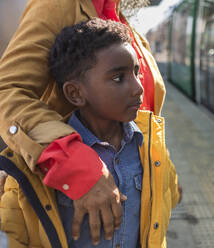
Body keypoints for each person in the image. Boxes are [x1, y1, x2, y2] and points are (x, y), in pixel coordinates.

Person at [0, 0, 171, 245]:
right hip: (71, 190)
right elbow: (8, 91)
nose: (138, 88)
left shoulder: (124, 22)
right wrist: (73, 164)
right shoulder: (58, 6)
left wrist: (166, 181)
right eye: (120, 77)